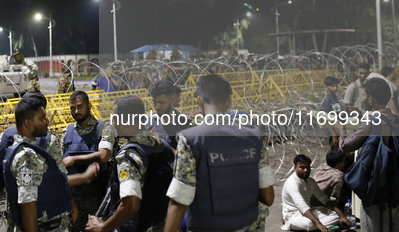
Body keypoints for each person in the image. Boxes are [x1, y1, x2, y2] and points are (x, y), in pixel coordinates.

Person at [164, 74, 277, 232]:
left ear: (200, 100)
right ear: (228, 102)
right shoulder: (253, 136)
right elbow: (268, 197)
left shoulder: (191, 139)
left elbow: (179, 202)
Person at [0, 92, 98, 230]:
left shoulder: (7, 136)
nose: (47, 121)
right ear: (28, 120)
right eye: (42, 117)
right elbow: (30, 203)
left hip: (17, 211)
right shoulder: (31, 154)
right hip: (45, 218)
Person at [86, 95, 174, 232]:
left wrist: (104, 227)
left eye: (115, 119)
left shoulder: (128, 156)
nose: (113, 123)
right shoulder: (162, 145)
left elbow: (131, 205)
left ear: (126, 121)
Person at [338, 77, 399, 232]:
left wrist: (341, 131)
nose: (363, 99)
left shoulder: (371, 121)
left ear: (371, 98)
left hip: (375, 188)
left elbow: (346, 146)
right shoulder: (395, 119)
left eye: (364, 96)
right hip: (394, 188)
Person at [62, 91, 117, 232]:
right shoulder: (67, 132)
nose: (76, 111)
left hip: (98, 196)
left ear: (89, 106)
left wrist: (74, 159)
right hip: (76, 199)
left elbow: (104, 156)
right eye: (72, 108)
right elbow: (62, 169)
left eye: (80, 107)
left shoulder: (104, 128)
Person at [281, 154, 350, 231]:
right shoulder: (292, 184)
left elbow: (324, 198)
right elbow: (302, 206)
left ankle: (316, 227)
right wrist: (318, 223)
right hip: (294, 215)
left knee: (336, 216)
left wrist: (342, 215)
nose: (306, 170)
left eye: (308, 167)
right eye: (302, 167)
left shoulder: (310, 181)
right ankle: (289, 223)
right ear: (295, 168)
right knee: (310, 224)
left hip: (309, 211)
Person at [146, 79, 192, 150]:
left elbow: (186, 157)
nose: (157, 107)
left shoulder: (184, 125)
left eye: (161, 103)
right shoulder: (149, 121)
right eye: (154, 102)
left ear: (173, 99)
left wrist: (160, 143)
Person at [322, 76, 342, 148]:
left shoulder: (334, 97)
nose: (335, 88)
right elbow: (327, 118)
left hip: (336, 128)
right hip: (332, 130)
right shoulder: (328, 100)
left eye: (336, 86)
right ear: (326, 87)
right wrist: (334, 135)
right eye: (333, 86)